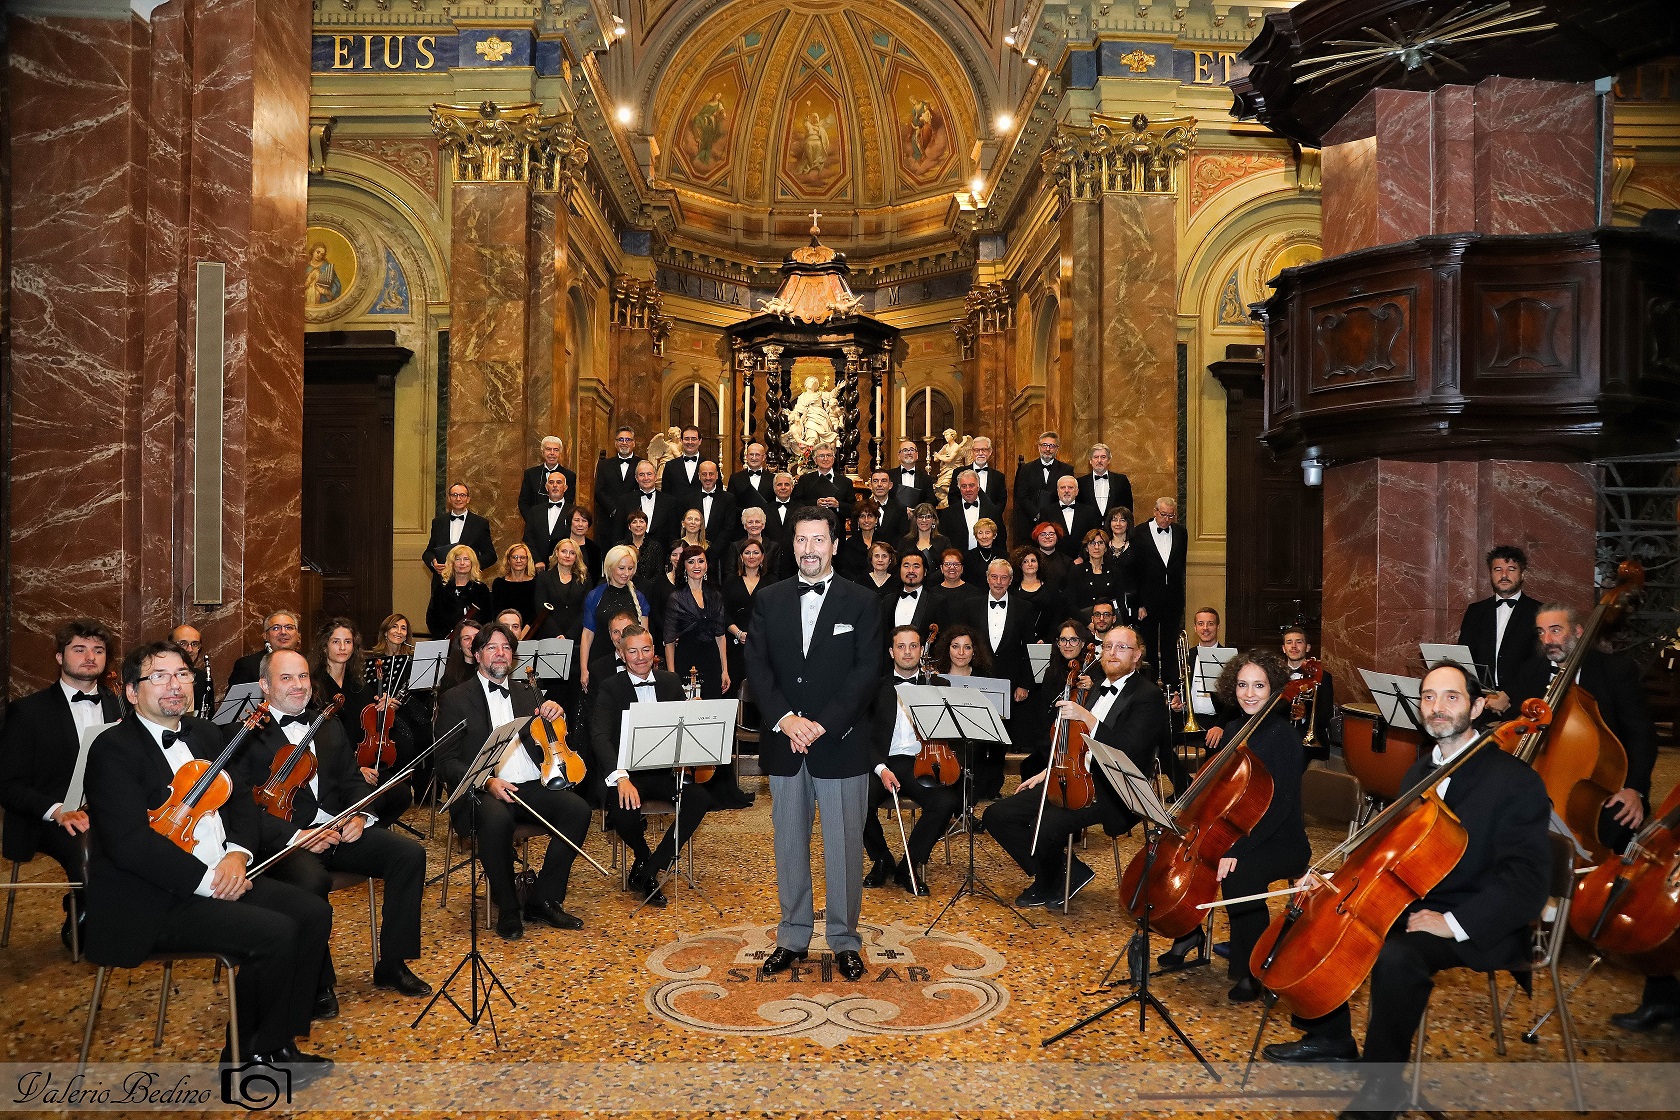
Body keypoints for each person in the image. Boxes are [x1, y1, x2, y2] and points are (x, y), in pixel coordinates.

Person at [1263, 662, 1550, 1120]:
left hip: (1481, 916)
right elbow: (1386, 853)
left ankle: (1382, 1091)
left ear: (1477, 707)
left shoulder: (1515, 781)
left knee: (1398, 954)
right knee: (1325, 915)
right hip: (1415, 895)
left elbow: (1528, 884)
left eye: (1451, 697)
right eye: (1429, 697)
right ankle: (1331, 1035)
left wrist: (1451, 924)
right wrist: (1332, 880)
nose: (1437, 707)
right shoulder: (1419, 771)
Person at [83, 641, 333, 1080]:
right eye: (158, 676)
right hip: (153, 897)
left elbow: (241, 806)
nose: (174, 685)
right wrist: (209, 880)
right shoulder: (112, 749)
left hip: (221, 875)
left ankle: (276, 1042)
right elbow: (129, 844)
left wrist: (237, 855)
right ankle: (245, 1056)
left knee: (312, 911)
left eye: (182, 674)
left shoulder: (206, 734)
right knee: (275, 932)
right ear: (129, 691)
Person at [234, 649, 431, 1013]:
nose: (298, 685)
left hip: (338, 829)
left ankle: (393, 964)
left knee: (409, 854)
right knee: (311, 883)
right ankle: (317, 982)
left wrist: (361, 816)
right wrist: (297, 837)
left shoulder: (327, 723)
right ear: (264, 685)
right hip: (286, 841)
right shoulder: (244, 736)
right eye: (286, 678)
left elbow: (353, 780)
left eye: (303, 677)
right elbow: (242, 809)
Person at [744, 505, 883, 983]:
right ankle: (793, 935)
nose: (809, 549)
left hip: (840, 742)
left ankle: (844, 939)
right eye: (801, 540)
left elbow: (866, 675)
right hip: (786, 744)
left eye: (818, 540)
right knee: (788, 845)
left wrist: (821, 724)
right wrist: (785, 720)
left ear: (835, 544)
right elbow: (757, 667)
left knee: (844, 847)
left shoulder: (863, 602)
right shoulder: (769, 598)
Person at [1157, 650, 1309, 1002]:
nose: (1250, 693)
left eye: (1259, 685)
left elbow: (1280, 806)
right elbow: (1218, 791)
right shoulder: (1234, 729)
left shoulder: (1283, 737)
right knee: (1199, 855)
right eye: (1242, 685)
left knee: (1238, 873)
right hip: (1239, 831)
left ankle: (1251, 970)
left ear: (1274, 689)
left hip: (1281, 839)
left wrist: (1237, 849)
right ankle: (1188, 932)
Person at [983, 625, 1167, 909]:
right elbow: (1075, 745)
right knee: (998, 815)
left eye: (1121, 647)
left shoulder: (1148, 695)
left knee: (1046, 825)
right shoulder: (1095, 688)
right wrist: (1049, 771)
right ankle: (1068, 873)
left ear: (1137, 656)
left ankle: (1047, 883)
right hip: (1071, 775)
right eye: (1108, 646)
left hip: (1114, 788)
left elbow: (1127, 749)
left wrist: (1087, 717)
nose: (1112, 653)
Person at [433, 623, 592, 940]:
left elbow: (551, 739)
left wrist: (557, 715)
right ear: (477, 655)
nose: (500, 653)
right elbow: (446, 762)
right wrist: (487, 782)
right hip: (484, 790)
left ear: (513, 655)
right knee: (496, 821)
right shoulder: (455, 698)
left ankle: (542, 899)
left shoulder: (527, 693)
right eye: (491, 647)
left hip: (531, 786)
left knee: (578, 810)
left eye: (505, 647)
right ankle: (507, 907)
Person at [0, 619, 124, 950]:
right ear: (59, 657)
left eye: (98, 650)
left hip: (103, 809)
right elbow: (7, 785)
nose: (90, 657)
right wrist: (57, 812)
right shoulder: (27, 712)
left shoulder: (116, 705)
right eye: (79, 649)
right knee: (87, 842)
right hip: (46, 817)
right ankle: (92, 919)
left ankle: (135, 916)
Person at [1507, 604, 1654, 855]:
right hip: (1545, 776)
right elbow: (1519, 726)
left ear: (1578, 631)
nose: (1548, 640)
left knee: (1613, 825)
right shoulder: (1532, 671)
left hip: (1605, 783)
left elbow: (1643, 736)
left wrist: (1634, 790)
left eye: (1555, 630)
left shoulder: (1615, 670)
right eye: (1541, 632)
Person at [589, 625, 718, 909]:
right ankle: (644, 855)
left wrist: (696, 715)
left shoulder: (671, 682)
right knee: (623, 812)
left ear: (654, 652)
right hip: (627, 773)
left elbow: (684, 732)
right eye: (632, 651)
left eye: (645, 650)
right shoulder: (610, 687)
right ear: (622, 655)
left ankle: (650, 868)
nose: (640, 657)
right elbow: (598, 734)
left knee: (699, 798)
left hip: (662, 772)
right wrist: (620, 778)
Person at [862, 626, 963, 896]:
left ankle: (910, 864)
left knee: (946, 801)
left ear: (922, 650)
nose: (908, 652)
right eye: (901, 646)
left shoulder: (939, 685)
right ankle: (881, 859)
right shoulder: (875, 687)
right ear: (891, 651)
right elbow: (863, 737)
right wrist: (881, 769)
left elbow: (952, 733)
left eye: (913, 646)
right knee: (855, 799)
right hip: (884, 761)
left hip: (923, 761)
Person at [313, 618, 413, 824]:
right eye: (336, 642)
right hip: (332, 767)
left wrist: (382, 708)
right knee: (375, 799)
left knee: (401, 795)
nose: (342, 647)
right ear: (324, 647)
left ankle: (371, 831)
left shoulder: (357, 681)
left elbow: (372, 724)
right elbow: (317, 739)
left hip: (363, 759)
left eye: (348, 642)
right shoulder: (314, 684)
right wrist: (355, 770)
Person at [1455, 545, 1541, 714]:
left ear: (1522, 574)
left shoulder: (1539, 612)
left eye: (1511, 569)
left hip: (1522, 705)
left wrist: (1508, 695)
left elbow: (1538, 663)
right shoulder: (1475, 611)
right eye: (1498, 569)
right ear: (1491, 574)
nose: (1504, 575)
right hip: (1481, 705)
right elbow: (1465, 656)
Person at [1016, 620, 1093, 782]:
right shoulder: (1052, 672)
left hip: (1082, 745)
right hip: (1054, 741)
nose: (1067, 644)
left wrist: (1093, 687)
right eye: (1063, 640)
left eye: (1073, 640)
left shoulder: (1093, 672)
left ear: (1083, 643)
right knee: (1028, 766)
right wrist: (1050, 751)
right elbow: (1045, 714)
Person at [578, 545, 652, 693]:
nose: (626, 573)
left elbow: (645, 636)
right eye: (621, 568)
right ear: (610, 568)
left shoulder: (639, 597)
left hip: (631, 664)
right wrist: (584, 669)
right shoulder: (595, 596)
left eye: (630, 569)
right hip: (599, 662)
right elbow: (587, 635)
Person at [663, 546, 731, 698]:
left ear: (706, 565)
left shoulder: (716, 595)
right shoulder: (676, 598)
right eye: (691, 562)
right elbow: (669, 641)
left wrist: (724, 670)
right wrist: (672, 676)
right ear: (684, 566)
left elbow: (720, 636)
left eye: (701, 561)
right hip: (685, 660)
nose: (696, 566)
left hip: (712, 662)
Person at [1131, 497, 1188, 671]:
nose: (1166, 520)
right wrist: (1138, 603)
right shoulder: (1139, 532)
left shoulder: (1180, 532)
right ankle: (1152, 682)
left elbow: (1180, 565)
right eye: (1163, 515)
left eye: (1171, 516)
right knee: (1148, 643)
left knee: (1170, 642)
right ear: (1155, 512)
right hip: (1148, 599)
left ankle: (1171, 685)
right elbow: (1135, 570)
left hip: (1173, 598)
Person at [1282, 625, 1336, 758]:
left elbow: (1326, 715)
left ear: (1308, 647)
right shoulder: (1274, 676)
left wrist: (1306, 714)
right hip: (1280, 738)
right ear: (1284, 649)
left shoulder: (1323, 676)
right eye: (1289, 642)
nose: (1294, 646)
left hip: (1311, 742)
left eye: (1299, 642)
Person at [422, 482, 495, 576]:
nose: (458, 499)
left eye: (462, 495)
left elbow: (490, 555)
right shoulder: (438, 522)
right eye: (454, 495)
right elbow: (428, 552)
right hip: (442, 580)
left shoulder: (480, 523)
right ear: (449, 498)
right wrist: (433, 563)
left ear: (468, 499)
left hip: (469, 580)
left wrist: (473, 565)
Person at [1013, 431, 1074, 543]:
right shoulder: (1026, 469)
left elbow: (1068, 495)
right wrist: (1037, 515)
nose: (1047, 449)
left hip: (1057, 522)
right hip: (1030, 523)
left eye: (1052, 446)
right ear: (1039, 447)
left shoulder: (1066, 469)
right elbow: (1021, 496)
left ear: (1057, 449)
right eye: (1044, 445)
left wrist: (1052, 515)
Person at [723, 540, 767, 696]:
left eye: (756, 553)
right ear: (741, 557)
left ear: (762, 557)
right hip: (735, 646)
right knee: (734, 690)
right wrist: (739, 633)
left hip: (763, 646)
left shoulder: (772, 583)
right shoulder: (730, 582)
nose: (751, 556)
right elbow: (723, 612)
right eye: (747, 553)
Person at [426, 544, 492, 639]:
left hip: (474, 641)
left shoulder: (481, 589)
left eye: (466, 559)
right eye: (457, 559)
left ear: (472, 563)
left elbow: (487, 620)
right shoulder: (441, 588)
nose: (462, 563)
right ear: (452, 563)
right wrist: (445, 638)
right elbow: (432, 619)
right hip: (446, 641)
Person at [228, 611, 305, 689]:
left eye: (289, 627)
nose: (283, 632)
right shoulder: (247, 666)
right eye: (276, 628)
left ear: (298, 635)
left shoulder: (308, 662)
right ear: (265, 636)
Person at [612, 460, 678, 547]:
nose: (646, 478)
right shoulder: (624, 500)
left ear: (656, 476)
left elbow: (673, 534)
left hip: (661, 554)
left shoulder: (669, 501)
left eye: (649, 474)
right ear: (636, 478)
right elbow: (618, 532)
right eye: (641, 474)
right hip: (631, 553)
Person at [940, 469, 1006, 554]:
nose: (968, 489)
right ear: (959, 489)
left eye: (971, 485)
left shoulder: (993, 511)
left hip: (986, 562)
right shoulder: (948, 514)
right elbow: (944, 543)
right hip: (958, 563)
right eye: (964, 486)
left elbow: (1001, 540)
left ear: (978, 487)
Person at [516, 435, 578, 522]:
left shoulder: (569, 475)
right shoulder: (530, 474)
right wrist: (532, 521)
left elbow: (568, 502)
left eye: (556, 450)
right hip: (535, 524)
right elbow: (523, 502)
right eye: (548, 449)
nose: (552, 453)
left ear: (560, 453)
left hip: (559, 525)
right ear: (542, 452)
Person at [1035, 475, 1098, 559]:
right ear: (1057, 491)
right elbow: (1042, 538)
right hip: (1055, 561)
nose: (1066, 491)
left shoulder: (1089, 511)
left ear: (1077, 491)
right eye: (1062, 487)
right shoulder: (1046, 512)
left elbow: (1093, 538)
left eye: (1070, 487)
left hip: (1083, 562)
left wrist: (1083, 557)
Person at [791, 444, 855, 525]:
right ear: (815, 460)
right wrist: (815, 504)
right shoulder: (805, 480)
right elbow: (795, 504)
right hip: (811, 528)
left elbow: (854, 508)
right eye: (821, 456)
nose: (825, 459)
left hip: (837, 530)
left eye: (829, 455)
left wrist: (838, 505)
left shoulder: (846, 482)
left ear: (833, 459)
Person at [945, 434, 1007, 512]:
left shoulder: (999, 476)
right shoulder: (958, 472)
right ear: (972, 452)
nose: (980, 453)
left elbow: (1001, 501)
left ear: (990, 452)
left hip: (990, 521)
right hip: (964, 519)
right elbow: (953, 498)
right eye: (977, 450)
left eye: (984, 450)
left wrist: (993, 515)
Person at [725, 505, 786, 584]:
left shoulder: (774, 547)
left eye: (757, 522)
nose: (754, 525)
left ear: (763, 525)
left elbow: (776, 574)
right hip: (740, 588)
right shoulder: (735, 547)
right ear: (744, 526)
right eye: (750, 522)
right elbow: (730, 573)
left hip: (768, 588)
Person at [592, 427, 644, 520]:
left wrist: (632, 511)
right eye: (621, 439)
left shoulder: (642, 464)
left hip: (635, 518)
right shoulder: (604, 465)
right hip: (609, 518)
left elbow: (645, 488)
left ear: (634, 443)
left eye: (628, 440)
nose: (624, 443)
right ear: (615, 443)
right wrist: (613, 509)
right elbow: (599, 491)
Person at [1064, 528, 1118, 619]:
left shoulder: (1114, 572)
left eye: (1100, 543)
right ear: (1086, 548)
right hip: (1083, 624)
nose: (1096, 547)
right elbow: (1070, 604)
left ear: (1105, 548)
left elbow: (1119, 602)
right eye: (1092, 543)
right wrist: (1088, 623)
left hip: (1108, 623)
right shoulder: (1076, 571)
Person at [1010, 546, 1060, 641]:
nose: (1030, 564)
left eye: (1033, 561)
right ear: (1019, 565)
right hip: (1017, 639)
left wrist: (1048, 639)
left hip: (1044, 640)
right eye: (1025, 561)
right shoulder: (1012, 588)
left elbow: (1057, 616)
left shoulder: (1050, 588)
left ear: (1039, 564)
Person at [886, 552, 939, 641]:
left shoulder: (937, 601)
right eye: (906, 566)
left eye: (916, 566)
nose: (911, 570)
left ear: (925, 572)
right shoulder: (888, 601)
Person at [1077, 443, 1133, 523]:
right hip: (1089, 531)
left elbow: (1128, 510)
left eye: (1103, 457)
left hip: (1115, 530)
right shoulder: (1080, 482)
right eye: (1096, 457)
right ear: (1090, 460)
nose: (1099, 460)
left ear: (1109, 460)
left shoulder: (1121, 480)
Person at [692, 461, 739, 556]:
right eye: (704, 474)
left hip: (720, 555)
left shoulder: (728, 499)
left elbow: (729, 528)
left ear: (717, 475)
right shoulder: (689, 499)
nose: (708, 478)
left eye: (711, 474)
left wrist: (712, 551)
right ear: (699, 476)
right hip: (694, 552)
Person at [170, 624, 215, 719]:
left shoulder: (203, 678)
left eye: (194, 644)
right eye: (183, 643)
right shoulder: (161, 677)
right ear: (170, 646)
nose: (190, 649)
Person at [931, 549, 983, 631]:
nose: (952, 567)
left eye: (956, 564)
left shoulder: (975, 593)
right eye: (947, 564)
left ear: (962, 568)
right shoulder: (931, 594)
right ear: (941, 568)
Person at [836, 499, 885, 581]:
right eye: (862, 516)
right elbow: (846, 571)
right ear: (858, 520)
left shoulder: (885, 541)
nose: (866, 520)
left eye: (870, 516)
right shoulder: (850, 543)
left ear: (876, 519)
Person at [898, 503, 953, 575]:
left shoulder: (944, 541)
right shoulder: (905, 541)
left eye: (928, 517)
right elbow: (899, 565)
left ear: (933, 520)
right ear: (915, 519)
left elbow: (947, 565)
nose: (924, 520)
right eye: (920, 517)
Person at [492, 543, 540, 624]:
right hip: (504, 629)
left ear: (527, 560)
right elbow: (496, 613)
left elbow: (535, 613)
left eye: (522, 557)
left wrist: (523, 634)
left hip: (530, 632)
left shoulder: (536, 583)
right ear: (508, 560)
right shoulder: (499, 583)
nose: (518, 560)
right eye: (515, 557)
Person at [659, 425, 705, 501]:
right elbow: (666, 495)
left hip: (702, 512)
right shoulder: (670, 466)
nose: (690, 442)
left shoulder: (710, 465)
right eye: (686, 439)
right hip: (677, 512)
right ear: (681, 440)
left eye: (693, 439)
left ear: (700, 441)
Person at [865, 469, 911, 542]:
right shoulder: (861, 507)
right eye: (875, 481)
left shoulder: (900, 509)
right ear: (870, 485)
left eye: (883, 481)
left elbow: (903, 537)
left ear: (890, 485)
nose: (879, 484)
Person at [438, 617, 482, 693]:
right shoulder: (450, 679)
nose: (472, 642)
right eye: (466, 638)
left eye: (476, 637)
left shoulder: (490, 670)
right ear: (459, 645)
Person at [727, 441, 773, 512]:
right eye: (751, 454)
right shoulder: (735, 478)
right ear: (746, 456)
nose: (754, 458)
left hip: (766, 521)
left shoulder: (772, 479)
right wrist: (743, 512)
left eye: (757, 455)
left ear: (764, 457)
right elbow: (730, 504)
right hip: (741, 521)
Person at [1027, 521, 1072, 592]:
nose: (1047, 537)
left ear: (1057, 538)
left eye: (1051, 534)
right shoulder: (1029, 561)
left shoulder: (1067, 562)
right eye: (1043, 534)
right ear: (1037, 539)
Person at [891, 439, 935, 509]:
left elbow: (930, 501)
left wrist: (916, 512)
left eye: (912, 450)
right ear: (898, 456)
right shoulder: (889, 476)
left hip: (918, 517)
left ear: (917, 455)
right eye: (905, 450)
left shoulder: (926, 478)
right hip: (894, 517)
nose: (909, 453)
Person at [564, 506, 602, 582]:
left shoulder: (594, 549)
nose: (580, 524)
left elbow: (596, 577)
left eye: (584, 521)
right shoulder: (556, 544)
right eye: (576, 520)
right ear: (570, 522)